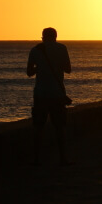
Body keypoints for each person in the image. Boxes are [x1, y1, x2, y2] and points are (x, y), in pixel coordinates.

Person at [27, 27, 72, 166]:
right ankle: (63, 159)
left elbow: (29, 72)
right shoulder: (62, 48)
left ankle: (36, 159)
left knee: (38, 127)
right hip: (57, 93)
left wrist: (40, 67)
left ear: (43, 37)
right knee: (60, 127)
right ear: (56, 36)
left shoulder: (35, 50)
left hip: (40, 93)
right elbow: (68, 69)